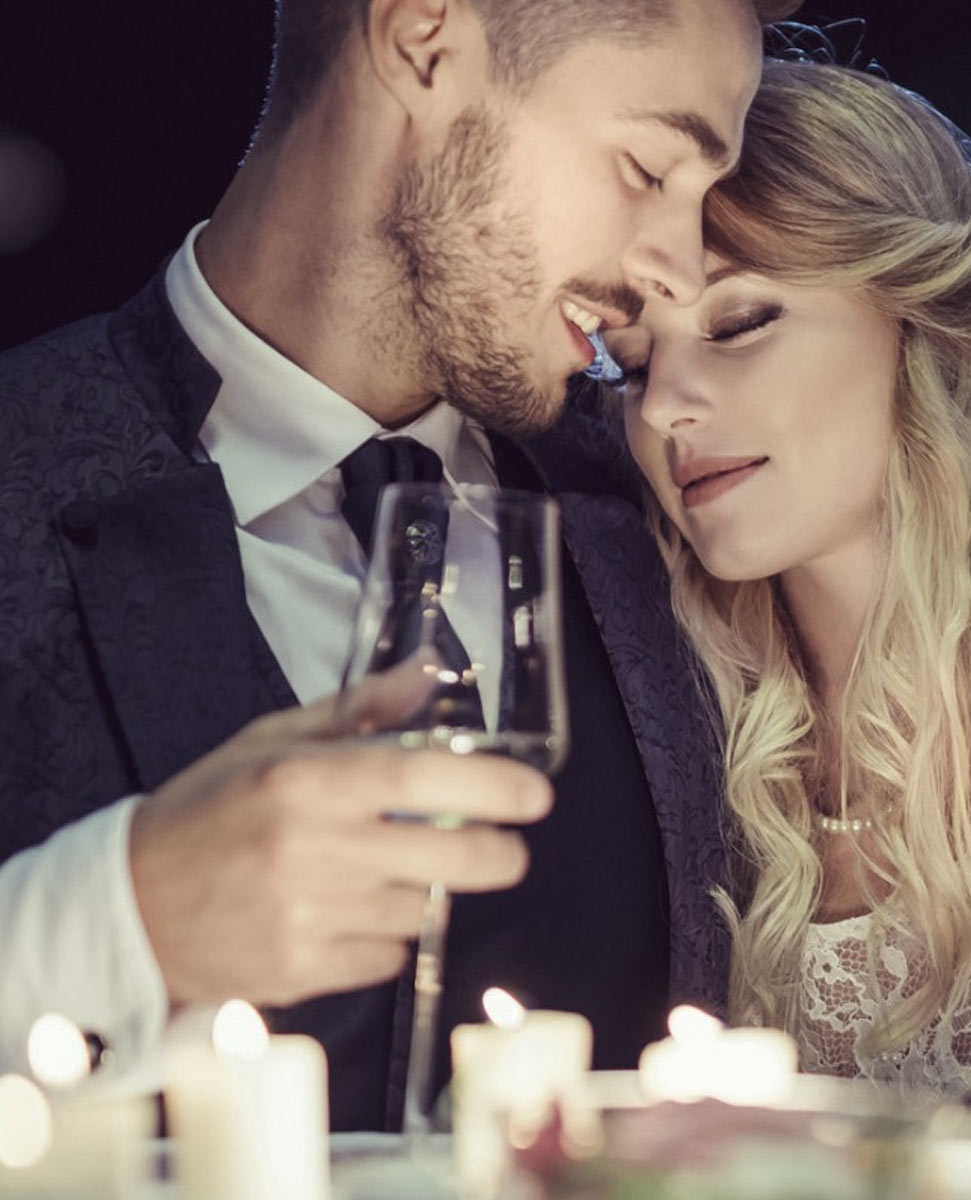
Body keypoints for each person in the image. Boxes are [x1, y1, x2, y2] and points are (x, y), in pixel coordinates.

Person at [0, 0, 795, 1130]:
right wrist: (113, 921)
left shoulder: (668, 501)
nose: (675, 268)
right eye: (647, 165)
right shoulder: (18, 473)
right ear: (423, 42)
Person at [606, 54, 971, 1093]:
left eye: (740, 323)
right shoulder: (696, 771)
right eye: (631, 363)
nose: (663, 409)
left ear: (913, 311)